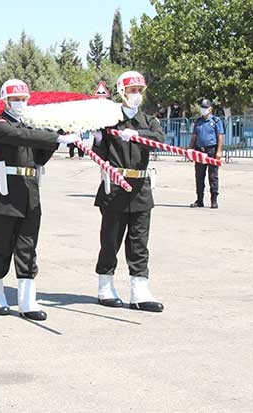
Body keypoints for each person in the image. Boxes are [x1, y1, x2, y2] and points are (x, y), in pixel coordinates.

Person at [0, 78, 80, 321]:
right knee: (3, 248)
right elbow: (21, 137)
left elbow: (39, 157)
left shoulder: (30, 128)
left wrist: (58, 133)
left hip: (29, 194)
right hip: (5, 196)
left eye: (23, 99)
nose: (19, 103)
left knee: (27, 249)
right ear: (4, 101)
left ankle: (27, 301)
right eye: (15, 99)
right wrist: (55, 138)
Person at [92, 70, 165, 313]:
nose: (136, 95)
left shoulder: (148, 120)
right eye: (132, 91)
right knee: (111, 240)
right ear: (122, 92)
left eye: (139, 91)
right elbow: (99, 153)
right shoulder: (109, 119)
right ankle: (105, 285)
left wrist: (137, 134)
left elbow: (159, 138)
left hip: (141, 188)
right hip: (115, 186)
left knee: (139, 242)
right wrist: (98, 138)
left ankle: (139, 290)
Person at [189, 98, 224, 209]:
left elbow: (220, 136)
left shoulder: (216, 121)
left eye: (205, 108)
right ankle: (199, 200)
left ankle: (214, 200)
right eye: (202, 107)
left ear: (210, 109)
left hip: (211, 150)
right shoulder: (198, 121)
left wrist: (219, 151)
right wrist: (191, 150)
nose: (203, 110)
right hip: (200, 150)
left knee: (213, 175)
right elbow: (194, 136)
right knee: (199, 176)